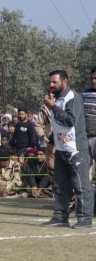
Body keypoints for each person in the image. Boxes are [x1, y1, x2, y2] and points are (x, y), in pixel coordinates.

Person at [41, 70, 93, 228]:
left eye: (54, 82)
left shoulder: (73, 97)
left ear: (65, 81)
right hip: (62, 149)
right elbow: (57, 126)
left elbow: (69, 121)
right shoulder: (57, 99)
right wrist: (51, 145)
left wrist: (53, 107)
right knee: (60, 185)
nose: (51, 85)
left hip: (76, 150)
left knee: (81, 185)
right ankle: (60, 217)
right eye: (50, 82)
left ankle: (84, 219)